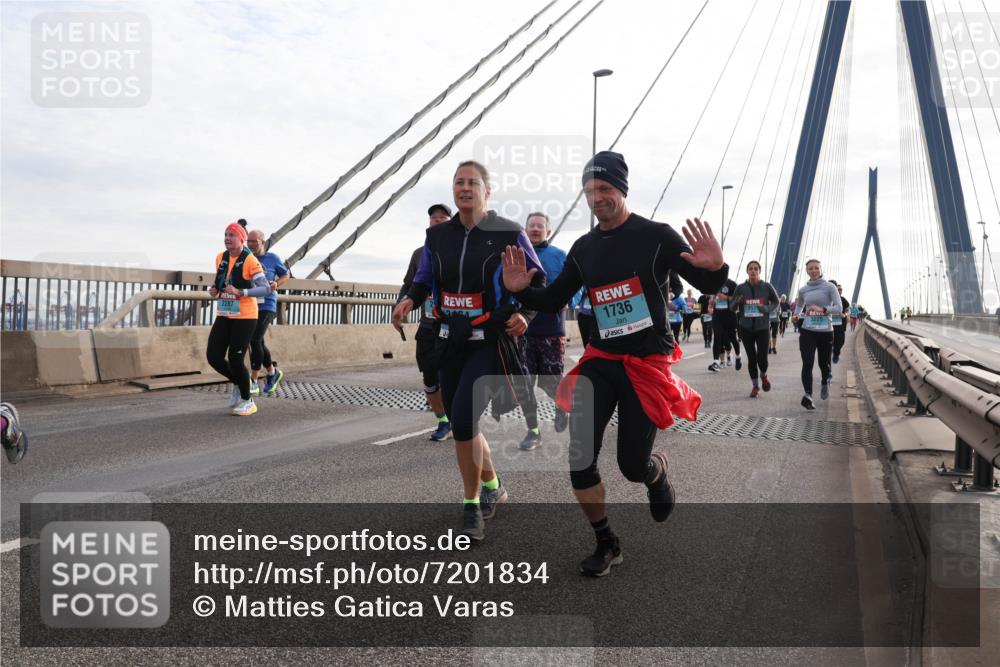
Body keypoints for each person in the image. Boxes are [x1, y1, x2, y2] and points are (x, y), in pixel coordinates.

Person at [501, 151, 728, 577]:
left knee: (630, 464)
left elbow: (704, 279)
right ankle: (607, 541)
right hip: (601, 360)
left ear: (622, 189)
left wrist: (716, 269)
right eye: (589, 190)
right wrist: (521, 291)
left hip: (645, 364)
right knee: (580, 458)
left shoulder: (656, 236)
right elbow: (554, 298)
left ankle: (656, 472)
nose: (596, 197)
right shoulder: (585, 248)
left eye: (604, 188)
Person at [392, 160, 545, 541]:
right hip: (448, 339)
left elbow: (536, 279)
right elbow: (425, 278)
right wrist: (409, 299)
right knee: (466, 425)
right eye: (458, 182)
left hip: (488, 340)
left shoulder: (508, 232)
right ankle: (493, 485)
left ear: (487, 190)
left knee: (462, 420)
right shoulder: (438, 236)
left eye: (472, 182)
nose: (464, 188)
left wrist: (525, 312)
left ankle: (471, 506)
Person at [519, 211, 579, 442]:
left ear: (548, 231)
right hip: (522, 331)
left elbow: (578, 285)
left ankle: (562, 406)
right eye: (531, 225)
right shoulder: (517, 256)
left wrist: (570, 301)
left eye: (540, 226)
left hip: (552, 331)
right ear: (525, 230)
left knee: (551, 382)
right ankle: (533, 431)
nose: (535, 229)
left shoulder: (560, 255)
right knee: (524, 384)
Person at [399, 203, 454, 442]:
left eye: (443, 218)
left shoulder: (460, 250)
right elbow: (410, 284)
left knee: (449, 375)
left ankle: (454, 418)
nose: (438, 221)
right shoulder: (419, 254)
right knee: (429, 375)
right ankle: (443, 419)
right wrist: (401, 304)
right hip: (428, 324)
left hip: (452, 326)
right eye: (434, 218)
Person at [207, 220, 272, 416]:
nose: (227, 238)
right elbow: (221, 281)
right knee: (214, 357)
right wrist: (214, 290)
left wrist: (240, 291)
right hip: (225, 313)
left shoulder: (250, 260)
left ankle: (248, 400)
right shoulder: (221, 257)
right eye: (226, 235)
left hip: (245, 316)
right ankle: (238, 381)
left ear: (241, 239)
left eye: (231, 235)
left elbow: (266, 288)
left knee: (235, 359)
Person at [792, 259, 841, 410]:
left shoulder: (829, 287)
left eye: (816, 268)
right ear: (807, 271)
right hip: (808, 330)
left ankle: (825, 382)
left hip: (825, 332)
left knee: (823, 364)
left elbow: (838, 308)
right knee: (807, 363)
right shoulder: (803, 290)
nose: (813, 270)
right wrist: (795, 315)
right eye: (810, 268)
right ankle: (808, 395)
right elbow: (800, 305)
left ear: (821, 269)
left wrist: (823, 310)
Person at [246, 227, 290, 396]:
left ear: (262, 242)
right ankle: (273, 373)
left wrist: (276, 284)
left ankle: (254, 381)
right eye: (248, 241)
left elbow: (285, 275)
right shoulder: (247, 259)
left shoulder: (272, 258)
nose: (250, 244)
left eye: (254, 241)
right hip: (251, 304)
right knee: (259, 343)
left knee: (254, 339)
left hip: (268, 304)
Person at [734, 261, 779, 397]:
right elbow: (731, 307)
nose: (753, 271)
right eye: (750, 269)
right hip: (746, 328)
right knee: (752, 359)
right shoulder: (741, 288)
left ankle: (764, 376)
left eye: (755, 269)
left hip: (762, 328)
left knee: (762, 358)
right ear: (747, 271)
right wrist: (737, 301)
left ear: (759, 271)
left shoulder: (766, 287)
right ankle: (755, 386)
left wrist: (766, 309)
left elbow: (776, 302)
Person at [709, 279, 741, 371]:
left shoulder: (732, 284)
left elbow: (738, 298)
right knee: (717, 337)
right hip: (717, 315)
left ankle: (738, 356)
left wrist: (726, 297)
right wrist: (711, 303)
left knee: (733, 339)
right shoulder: (713, 284)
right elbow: (711, 299)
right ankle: (716, 362)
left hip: (729, 315)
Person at [829, 280, 850, 366]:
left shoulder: (843, 300)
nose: (839, 291)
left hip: (840, 325)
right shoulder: (826, 299)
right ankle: (827, 371)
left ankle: (836, 353)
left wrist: (844, 314)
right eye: (838, 289)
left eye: (840, 289)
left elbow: (848, 310)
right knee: (828, 346)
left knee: (840, 342)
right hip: (828, 325)